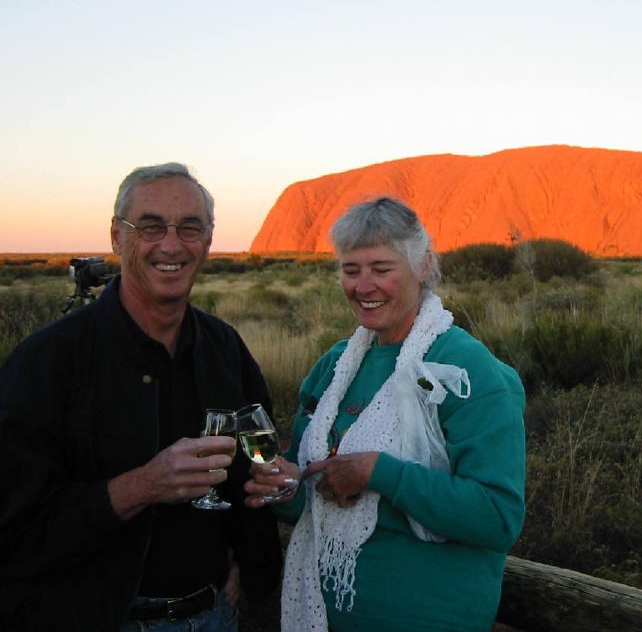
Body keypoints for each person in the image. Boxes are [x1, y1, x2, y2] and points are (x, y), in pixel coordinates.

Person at [0, 163, 283, 631]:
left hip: (214, 614)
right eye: (151, 226)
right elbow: (13, 527)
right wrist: (142, 486)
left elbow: (256, 467)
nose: (171, 245)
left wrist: (249, 561)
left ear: (208, 240)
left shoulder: (224, 348)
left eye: (189, 227)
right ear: (117, 236)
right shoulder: (49, 361)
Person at [246, 197, 527, 631]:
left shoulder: (465, 370)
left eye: (381, 269)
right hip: (322, 615)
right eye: (351, 270)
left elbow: (497, 517)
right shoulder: (334, 367)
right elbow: (312, 496)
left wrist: (379, 473)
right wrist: (284, 488)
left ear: (423, 266)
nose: (363, 286)